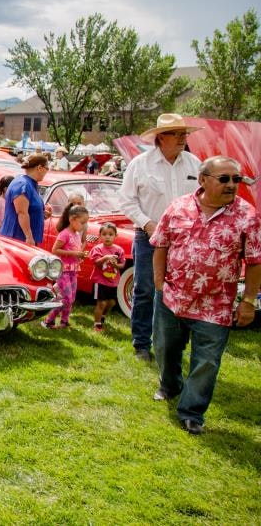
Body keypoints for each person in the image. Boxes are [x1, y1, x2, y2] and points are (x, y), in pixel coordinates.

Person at [150, 155, 260, 435]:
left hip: (216, 305)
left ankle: (191, 412)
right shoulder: (178, 207)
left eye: (236, 179)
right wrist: (160, 285)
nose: (232, 185)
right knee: (165, 349)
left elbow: (255, 260)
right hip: (172, 298)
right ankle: (170, 385)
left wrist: (247, 302)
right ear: (203, 180)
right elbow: (161, 245)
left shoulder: (247, 215)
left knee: (207, 361)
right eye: (224, 179)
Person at [118, 113, 202, 361]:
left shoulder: (194, 163)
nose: (182, 139)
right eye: (177, 134)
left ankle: (173, 342)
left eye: (184, 134)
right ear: (160, 138)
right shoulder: (140, 164)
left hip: (185, 239)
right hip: (149, 237)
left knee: (182, 289)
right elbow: (126, 200)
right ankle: (142, 344)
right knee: (145, 288)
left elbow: (202, 198)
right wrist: (148, 224)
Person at [42, 204, 89, 329]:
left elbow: (74, 252)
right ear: (72, 219)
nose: (84, 225)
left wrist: (80, 256)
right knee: (66, 298)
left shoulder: (77, 235)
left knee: (71, 298)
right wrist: (74, 253)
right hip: (63, 271)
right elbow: (55, 250)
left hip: (73, 271)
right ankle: (48, 320)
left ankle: (64, 321)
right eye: (82, 222)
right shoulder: (65, 234)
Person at [0, 153, 53, 246]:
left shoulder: (31, 184)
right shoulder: (22, 184)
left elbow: (29, 209)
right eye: (47, 168)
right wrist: (29, 236)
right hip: (17, 239)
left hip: (26, 239)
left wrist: (42, 214)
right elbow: (21, 212)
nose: (47, 171)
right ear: (39, 168)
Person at [89, 222, 126, 331]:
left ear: (115, 236)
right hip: (100, 280)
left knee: (112, 302)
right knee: (101, 302)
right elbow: (96, 262)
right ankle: (97, 324)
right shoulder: (98, 249)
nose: (107, 237)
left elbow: (122, 264)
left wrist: (116, 265)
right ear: (100, 236)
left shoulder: (119, 250)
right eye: (104, 234)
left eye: (110, 234)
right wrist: (106, 257)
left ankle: (102, 316)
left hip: (113, 281)